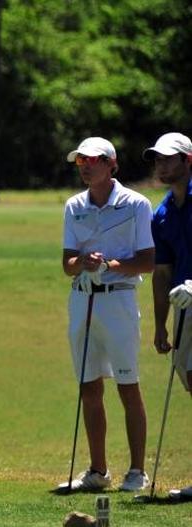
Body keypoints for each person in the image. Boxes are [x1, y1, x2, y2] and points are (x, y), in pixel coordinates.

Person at [58, 136, 155, 493]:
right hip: (82, 299)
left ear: (111, 164)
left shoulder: (136, 204)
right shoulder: (74, 205)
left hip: (119, 301)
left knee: (128, 386)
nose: (85, 166)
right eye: (80, 161)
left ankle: (137, 471)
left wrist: (110, 265)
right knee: (89, 387)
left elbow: (147, 261)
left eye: (93, 160)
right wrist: (82, 262)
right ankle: (98, 471)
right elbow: (67, 265)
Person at [145, 132, 192, 500]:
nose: (161, 165)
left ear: (187, 161)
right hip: (183, 306)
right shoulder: (161, 214)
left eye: (168, 158)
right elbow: (162, 274)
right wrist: (161, 325)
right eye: (157, 159)